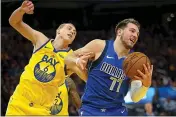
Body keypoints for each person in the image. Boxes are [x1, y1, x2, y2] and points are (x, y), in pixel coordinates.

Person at [65, 18, 153, 116]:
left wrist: (145, 85)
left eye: (137, 33)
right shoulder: (100, 46)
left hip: (117, 111)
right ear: (119, 32)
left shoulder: (134, 61)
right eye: (132, 31)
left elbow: (134, 97)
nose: (135, 35)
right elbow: (68, 57)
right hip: (91, 109)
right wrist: (77, 61)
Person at [6, 0, 80, 115]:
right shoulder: (41, 40)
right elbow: (14, 22)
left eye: (74, 32)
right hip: (19, 104)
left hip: (42, 110)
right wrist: (21, 10)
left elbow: (86, 76)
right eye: (69, 28)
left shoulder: (71, 57)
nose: (72, 31)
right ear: (59, 31)